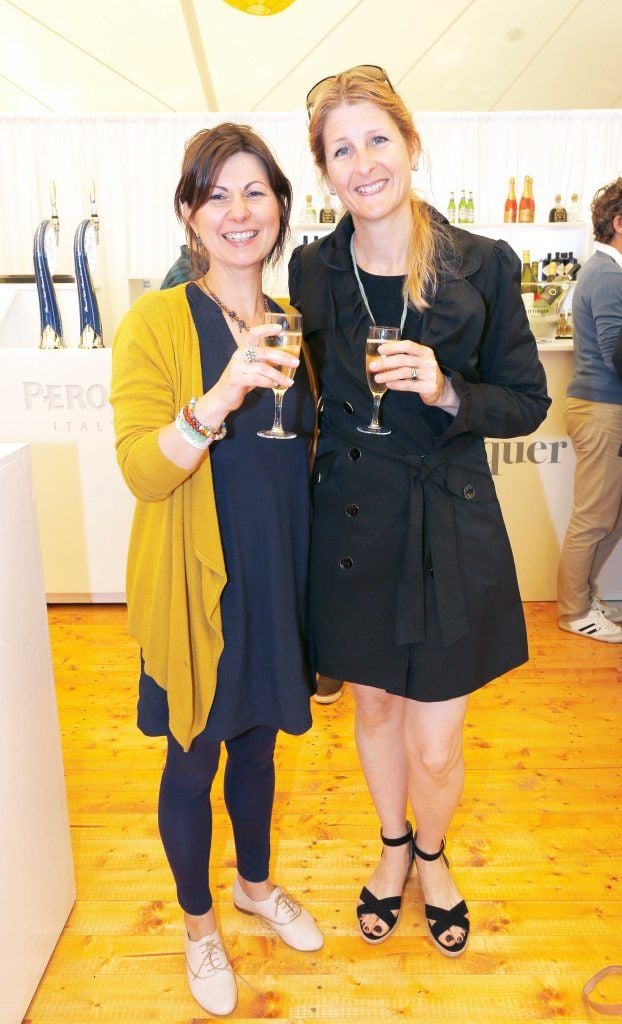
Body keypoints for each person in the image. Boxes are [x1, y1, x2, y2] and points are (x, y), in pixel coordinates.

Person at [289, 66, 550, 956]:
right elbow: (314, 393)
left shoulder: (483, 263)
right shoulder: (314, 269)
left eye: (376, 139)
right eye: (340, 149)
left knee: (437, 744)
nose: (362, 163)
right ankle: (393, 850)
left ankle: (435, 854)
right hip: (354, 523)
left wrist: (447, 391)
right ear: (324, 170)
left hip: (448, 523)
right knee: (374, 714)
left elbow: (526, 399)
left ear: (409, 142)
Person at [111, 123, 323, 1018]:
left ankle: (255, 885)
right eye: (217, 195)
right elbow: (142, 467)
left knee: (260, 741)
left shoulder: (289, 321)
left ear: (280, 207)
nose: (240, 212)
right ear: (189, 215)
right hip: (199, 581)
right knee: (192, 759)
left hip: (277, 573)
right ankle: (200, 928)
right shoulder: (155, 323)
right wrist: (220, 398)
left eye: (256, 192)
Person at [557, 178, 622, 641]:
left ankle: (583, 597)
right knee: (595, 517)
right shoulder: (608, 275)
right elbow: (617, 349)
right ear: (619, 224)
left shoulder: (607, 272)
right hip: (602, 410)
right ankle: (574, 611)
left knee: (610, 518)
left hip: (604, 408)